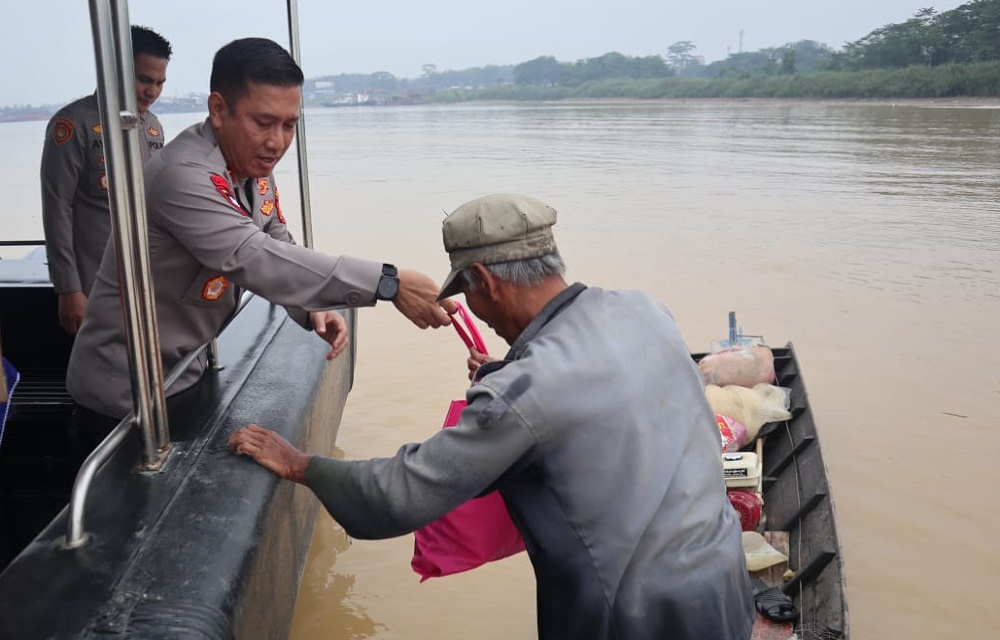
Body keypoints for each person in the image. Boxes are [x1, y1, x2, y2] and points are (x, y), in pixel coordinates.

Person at [229, 193, 755, 640]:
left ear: (483, 279)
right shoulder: (644, 309)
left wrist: (301, 465)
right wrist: (508, 372)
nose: (477, 313)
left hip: (634, 621)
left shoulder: (522, 394)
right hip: (724, 589)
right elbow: (596, 395)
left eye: (467, 294)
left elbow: (397, 495)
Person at [65, 37, 454, 442]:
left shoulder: (249, 167)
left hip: (182, 369)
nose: (277, 142)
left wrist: (310, 306)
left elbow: (279, 241)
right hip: (123, 391)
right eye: (263, 123)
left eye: (289, 125)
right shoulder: (182, 176)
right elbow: (253, 256)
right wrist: (389, 282)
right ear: (219, 110)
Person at [41, 25, 172, 335]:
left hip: (147, 276)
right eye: (144, 80)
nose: (152, 92)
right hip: (94, 281)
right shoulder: (73, 124)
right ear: (116, 71)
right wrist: (68, 287)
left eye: (159, 83)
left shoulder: (152, 127)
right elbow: (57, 207)